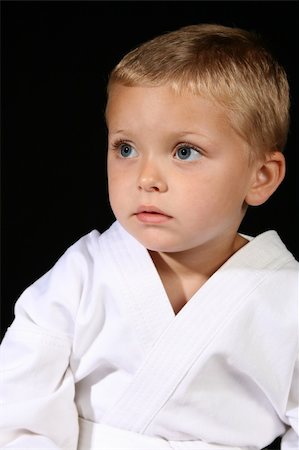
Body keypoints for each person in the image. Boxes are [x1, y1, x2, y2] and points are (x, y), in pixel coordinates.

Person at [0, 23, 298, 450]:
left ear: (261, 177)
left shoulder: (288, 300)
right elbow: (16, 402)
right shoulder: (83, 273)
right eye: (125, 148)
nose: (145, 178)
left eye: (184, 151)